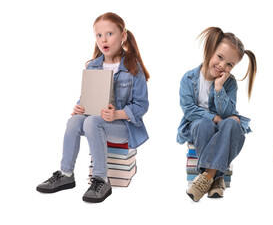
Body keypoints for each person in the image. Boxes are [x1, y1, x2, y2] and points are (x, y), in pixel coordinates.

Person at [36, 12, 150, 202]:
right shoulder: (93, 66)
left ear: (123, 36)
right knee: (74, 121)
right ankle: (66, 174)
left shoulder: (132, 67)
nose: (103, 39)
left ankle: (101, 179)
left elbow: (142, 106)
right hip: (95, 121)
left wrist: (117, 114)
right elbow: (86, 98)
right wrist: (80, 107)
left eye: (109, 34)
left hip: (123, 126)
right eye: (99, 35)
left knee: (92, 122)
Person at [177, 27, 257, 202]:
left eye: (229, 64)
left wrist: (219, 88)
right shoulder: (189, 78)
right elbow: (189, 109)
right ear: (210, 50)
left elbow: (228, 113)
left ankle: (206, 177)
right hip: (197, 125)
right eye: (220, 57)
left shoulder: (230, 83)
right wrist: (214, 118)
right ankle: (218, 178)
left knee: (233, 124)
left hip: (223, 125)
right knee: (203, 124)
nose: (222, 65)